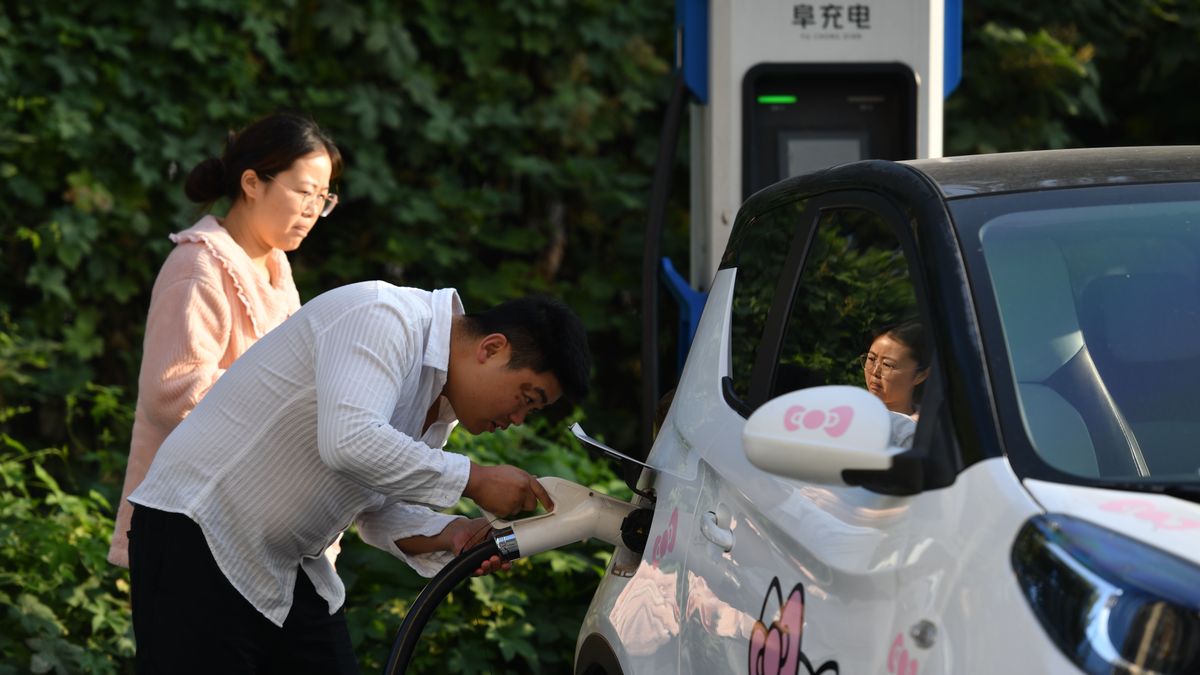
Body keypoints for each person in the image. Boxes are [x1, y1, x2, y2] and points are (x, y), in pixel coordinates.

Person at [126, 283, 592, 673]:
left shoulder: (438, 403)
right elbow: (349, 440)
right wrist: (475, 478)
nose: (517, 418)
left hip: (283, 564)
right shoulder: (385, 317)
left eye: (532, 410)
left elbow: (375, 508)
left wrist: (448, 533)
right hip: (198, 533)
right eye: (526, 397)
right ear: (492, 348)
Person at [108, 112, 343, 569]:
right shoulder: (198, 266)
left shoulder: (275, 268)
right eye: (302, 192)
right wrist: (295, 403)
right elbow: (173, 390)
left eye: (323, 197)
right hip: (193, 528)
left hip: (260, 528)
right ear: (252, 183)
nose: (313, 209)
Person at [861, 321, 930, 448]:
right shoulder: (849, 411)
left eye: (888, 365)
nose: (875, 372)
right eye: (871, 359)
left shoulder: (918, 433)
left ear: (921, 375)